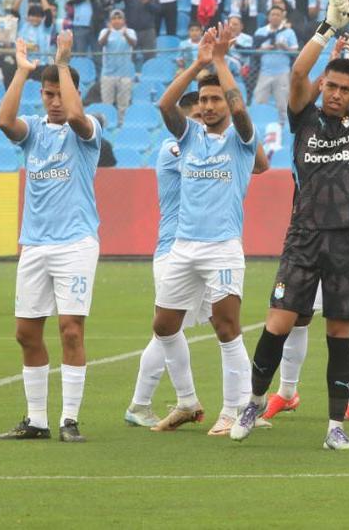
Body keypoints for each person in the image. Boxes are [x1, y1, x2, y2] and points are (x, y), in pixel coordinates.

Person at [233, 0, 349, 449]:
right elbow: (299, 70)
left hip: (346, 239)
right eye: (332, 86)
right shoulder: (304, 116)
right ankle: (253, 401)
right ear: (323, 85)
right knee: (278, 324)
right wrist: (327, 27)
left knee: (340, 332)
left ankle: (334, 427)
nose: (337, 94)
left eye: (346, 89)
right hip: (303, 236)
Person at [123, 93, 268, 427]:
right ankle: (147, 403)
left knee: (218, 325)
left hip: (209, 245)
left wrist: (239, 141)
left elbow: (260, 164)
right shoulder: (175, 147)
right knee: (166, 328)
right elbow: (175, 119)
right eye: (198, 115)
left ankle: (220, 405)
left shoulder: (218, 143)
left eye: (210, 110)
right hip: (174, 247)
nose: (204, 119)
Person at [143, 24, 259, 436]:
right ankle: (189, 400)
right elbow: (164, 104)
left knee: (226, 327)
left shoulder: (241, 141)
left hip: (222, 248)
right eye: (205, 100)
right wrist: (198, 62)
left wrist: (222, 63)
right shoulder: (189, 136)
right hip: (183, 248)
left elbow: (242, 112)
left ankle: (235, 409)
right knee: (163, 325)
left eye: (215, 99)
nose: (209, 105)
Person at [0, 33, 97, 444]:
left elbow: (74, 115)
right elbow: (3, 121)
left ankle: (70, 419)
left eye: (60, 93)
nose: (54, 101)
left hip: (75, 244)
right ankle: (37, 420)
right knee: (26, 333)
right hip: (35, 244)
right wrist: (21, 72)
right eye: (48, 93)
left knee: (71, 329)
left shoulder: (87, 130)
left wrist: (63, 61)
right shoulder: (33, 130)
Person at [252, 6, 300, 120]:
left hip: (283, 74)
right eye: (273, 14)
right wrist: (264, 49)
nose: (275, 17)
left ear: (282, 17)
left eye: (278, 14)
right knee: (259, 101)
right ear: (268, 17)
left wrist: (285, 47)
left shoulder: (289, 32)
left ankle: (283, 130)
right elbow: (253, 51)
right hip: (264, 73)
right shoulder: (260, 31)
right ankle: (260, 125)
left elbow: (295, 52)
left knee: (283, 105)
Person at [98, 10, 137, 122]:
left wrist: (125, 34)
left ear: (124, 21)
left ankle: (121, 126)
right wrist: (109, 32)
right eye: (114, 18)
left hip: (125, 74)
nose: (116, 20)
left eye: (119, 18)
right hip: (107, 74)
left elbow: (133, 44)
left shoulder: (130, 31)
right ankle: (107, 126)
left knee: (123, 105)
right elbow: (101, 43)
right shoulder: (104, 31)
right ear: (110, 21)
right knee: (107, 104)